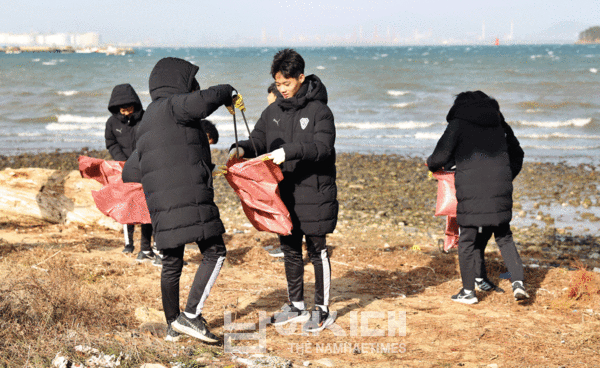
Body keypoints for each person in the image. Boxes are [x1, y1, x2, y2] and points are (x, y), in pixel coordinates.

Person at [230, 49, 337, 332]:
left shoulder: (320, 111)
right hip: (283, 194)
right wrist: (241, 148)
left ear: (300, 78)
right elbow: (258, 140)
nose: (282, 89)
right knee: (289, 250)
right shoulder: (272, 111)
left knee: (317, 251)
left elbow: (323, 149)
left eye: (286, 84)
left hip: (314, 192)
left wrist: (288, 152)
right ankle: (296, 306)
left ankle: (323, 309)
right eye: (278, 84)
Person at [136, 57, 236, 343]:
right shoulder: (174, 105)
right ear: (177, 83)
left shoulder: (146, 122)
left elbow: (132, 169)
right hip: (190, 198)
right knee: (215, 251)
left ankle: (172, 326)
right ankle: (191, 316)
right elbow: (206, 100)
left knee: (171, 262)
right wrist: (229, 91)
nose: (193, 88)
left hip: (162, 207)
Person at [427, 90, 529, 305]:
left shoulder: (458, 125)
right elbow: (518, 153)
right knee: (504, 237)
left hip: (471, 192)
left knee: (467, 240)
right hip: (500, 189)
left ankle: (468, 292)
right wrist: (507, 176)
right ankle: (518, 283)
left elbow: (439, 157)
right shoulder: (499, 124)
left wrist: (434, 166)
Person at [104, 83, 154, 260]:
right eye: (122, 109)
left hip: (144, 166)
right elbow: (111, 143)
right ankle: (128, 243)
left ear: (135, 104)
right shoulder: (112, 122)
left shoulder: (146, 118)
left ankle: (146, 247)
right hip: (123, 167)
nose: (126, 112)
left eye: (129, 108)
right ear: (116, 108)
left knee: (145, 207)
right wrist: (121, 160)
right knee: (127, 206)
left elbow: (152, 138)